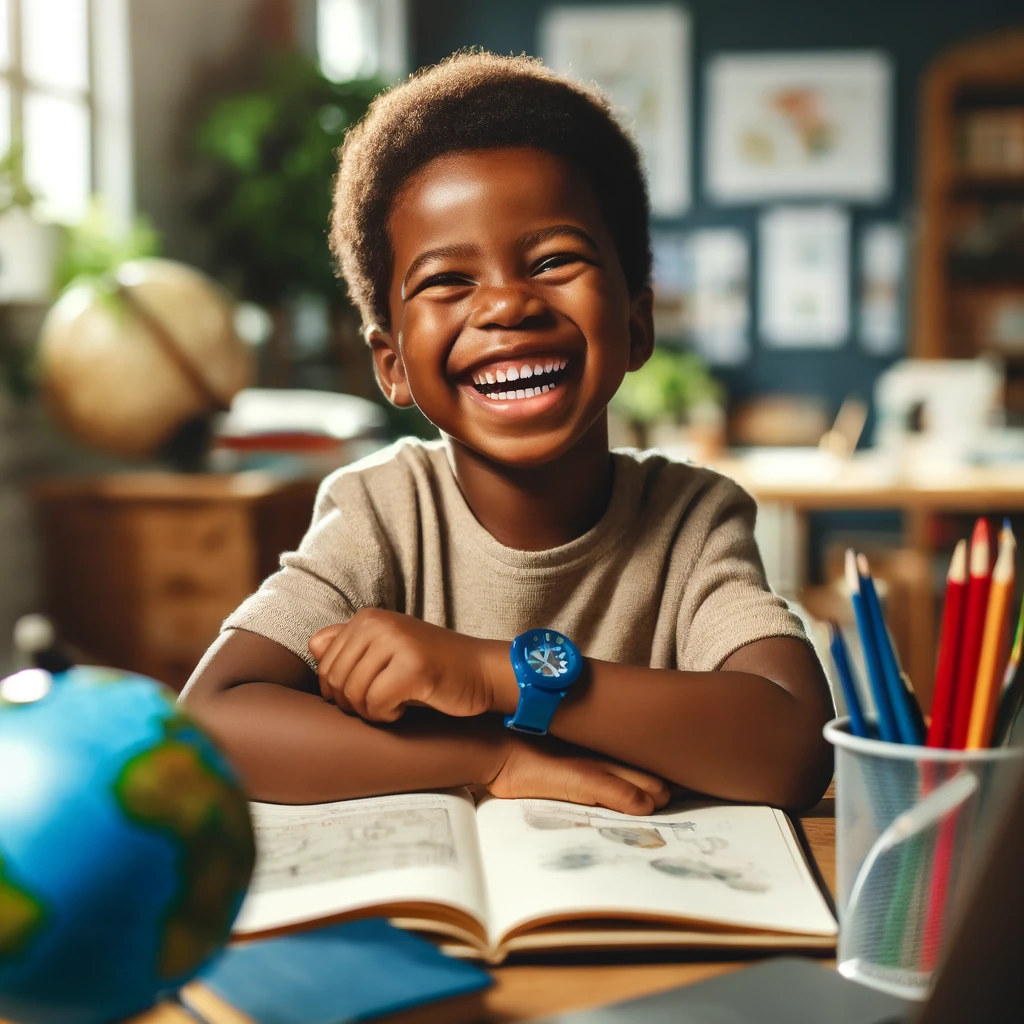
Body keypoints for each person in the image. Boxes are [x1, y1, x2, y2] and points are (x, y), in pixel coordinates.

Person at [181, 51, 834, 815]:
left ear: (636, 322)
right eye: (448, 282)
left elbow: (792, 747)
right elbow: (210, 723)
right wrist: (492, 756)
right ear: (391, 364)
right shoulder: (382, 511)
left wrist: (496, 676)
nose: (505, 307)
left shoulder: (692, 519)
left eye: (555, 261)